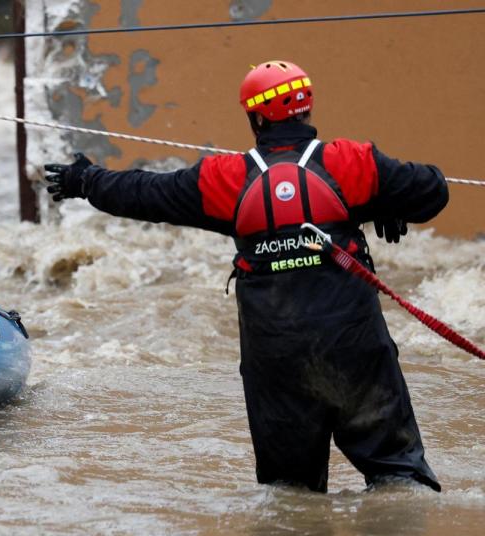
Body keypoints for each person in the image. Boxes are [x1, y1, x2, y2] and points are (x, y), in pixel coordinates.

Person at [44, 60, 448, 493]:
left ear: (256, 118)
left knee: (289, 495)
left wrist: (84, 180)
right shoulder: (353, 162)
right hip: (355, 349)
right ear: (307, 109)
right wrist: (385, 203)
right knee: (399, 479)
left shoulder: (224, 178)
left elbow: (144, 193)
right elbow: (433, 189)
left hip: (276, 359)